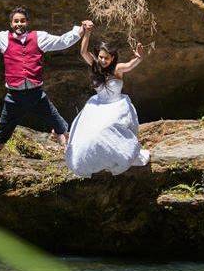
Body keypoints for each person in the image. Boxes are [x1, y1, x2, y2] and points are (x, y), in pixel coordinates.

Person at [0, 0, 92, 181]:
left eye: (22, 21)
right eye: (16, 21)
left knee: (61, 126)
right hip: (14, 97)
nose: (19, 24)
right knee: (2, 134)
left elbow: (62, 41)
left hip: (37, 95)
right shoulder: (3, 39)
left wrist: (80, 30)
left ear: (27, 22)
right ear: (11, 23)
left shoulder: (39, 37)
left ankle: (73, 160)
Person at [64, 23, 150, 177]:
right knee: (89, 132)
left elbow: (131, 65)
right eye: (101, 57)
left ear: (112, 58)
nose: (103, 60)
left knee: (107, 130)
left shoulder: (118, 69)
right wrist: (87, 33)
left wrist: (139, 57)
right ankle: (90, 161)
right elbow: (83, 51)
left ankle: (119, 156)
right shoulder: (95, 65)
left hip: (116, 105)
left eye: (106, 58)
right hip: (98, 105)